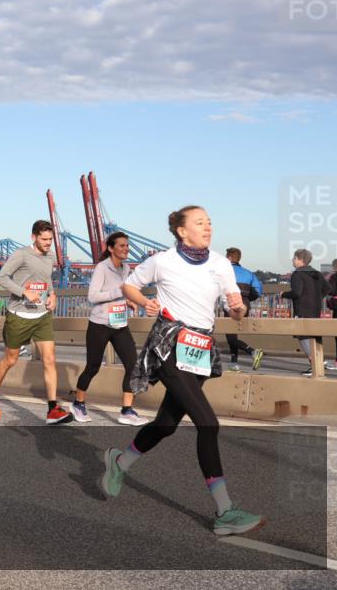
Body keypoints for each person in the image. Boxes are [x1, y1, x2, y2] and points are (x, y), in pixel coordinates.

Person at [101, 205, 264, 536]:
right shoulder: (162, 261)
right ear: (181, 230)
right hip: (170, 346)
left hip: (200, 351)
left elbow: (235, 305)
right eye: (200, 222)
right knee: (208, 424)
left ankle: (119, 463)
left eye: (210, 222)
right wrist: (143, 301)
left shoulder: (220, 263)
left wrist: (237, 307)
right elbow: (129, 286)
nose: (208, 227)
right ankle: (224, 511)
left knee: (165, 425)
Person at [0, 220, 73, 424]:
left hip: (42, 315)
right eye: (44, 239)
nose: (48, 243)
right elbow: (2, 278)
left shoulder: (51, 255)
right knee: (10, 359)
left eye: (50, 239)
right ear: (33, 237)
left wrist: (53, 294)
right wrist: (24, 292)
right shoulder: (21, 254)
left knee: (50, 359)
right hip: (19, 316)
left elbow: (46, 279)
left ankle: (52, 409)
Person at [71, 232, 147, 426]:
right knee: (93, 366)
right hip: (100, 324)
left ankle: (127, 410)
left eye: (127, 246)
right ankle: (78, 403)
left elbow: (122, 291)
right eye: (122, 246)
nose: (126, 249)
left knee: (133, 365)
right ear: (111, 248)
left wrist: (128, 300)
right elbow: (93, 296)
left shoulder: (127, 268)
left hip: (120, 323)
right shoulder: (101, 268)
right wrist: (119, 292)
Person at [282, 248, 333, 376]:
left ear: (300, 260)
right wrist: (316, 298)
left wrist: (284, 294)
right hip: (315, 308)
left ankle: (316, 363)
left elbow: (297, 292)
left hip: (302, 309)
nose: (292, 260)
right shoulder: (316, 273)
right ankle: (318, 361)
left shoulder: (297, 274)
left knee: (302, 335)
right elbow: (328, 288)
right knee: (314, 335)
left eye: (294, 258)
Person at [223, 248, 264, 372]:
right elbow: (258, 290)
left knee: (230, 335)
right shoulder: (248, 273)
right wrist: (247, 300)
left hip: (231, 304)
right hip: (245, 305)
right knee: (232, 335)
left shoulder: (226, 271)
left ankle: (252, 352)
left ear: (229, 258)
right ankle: (234, 363)